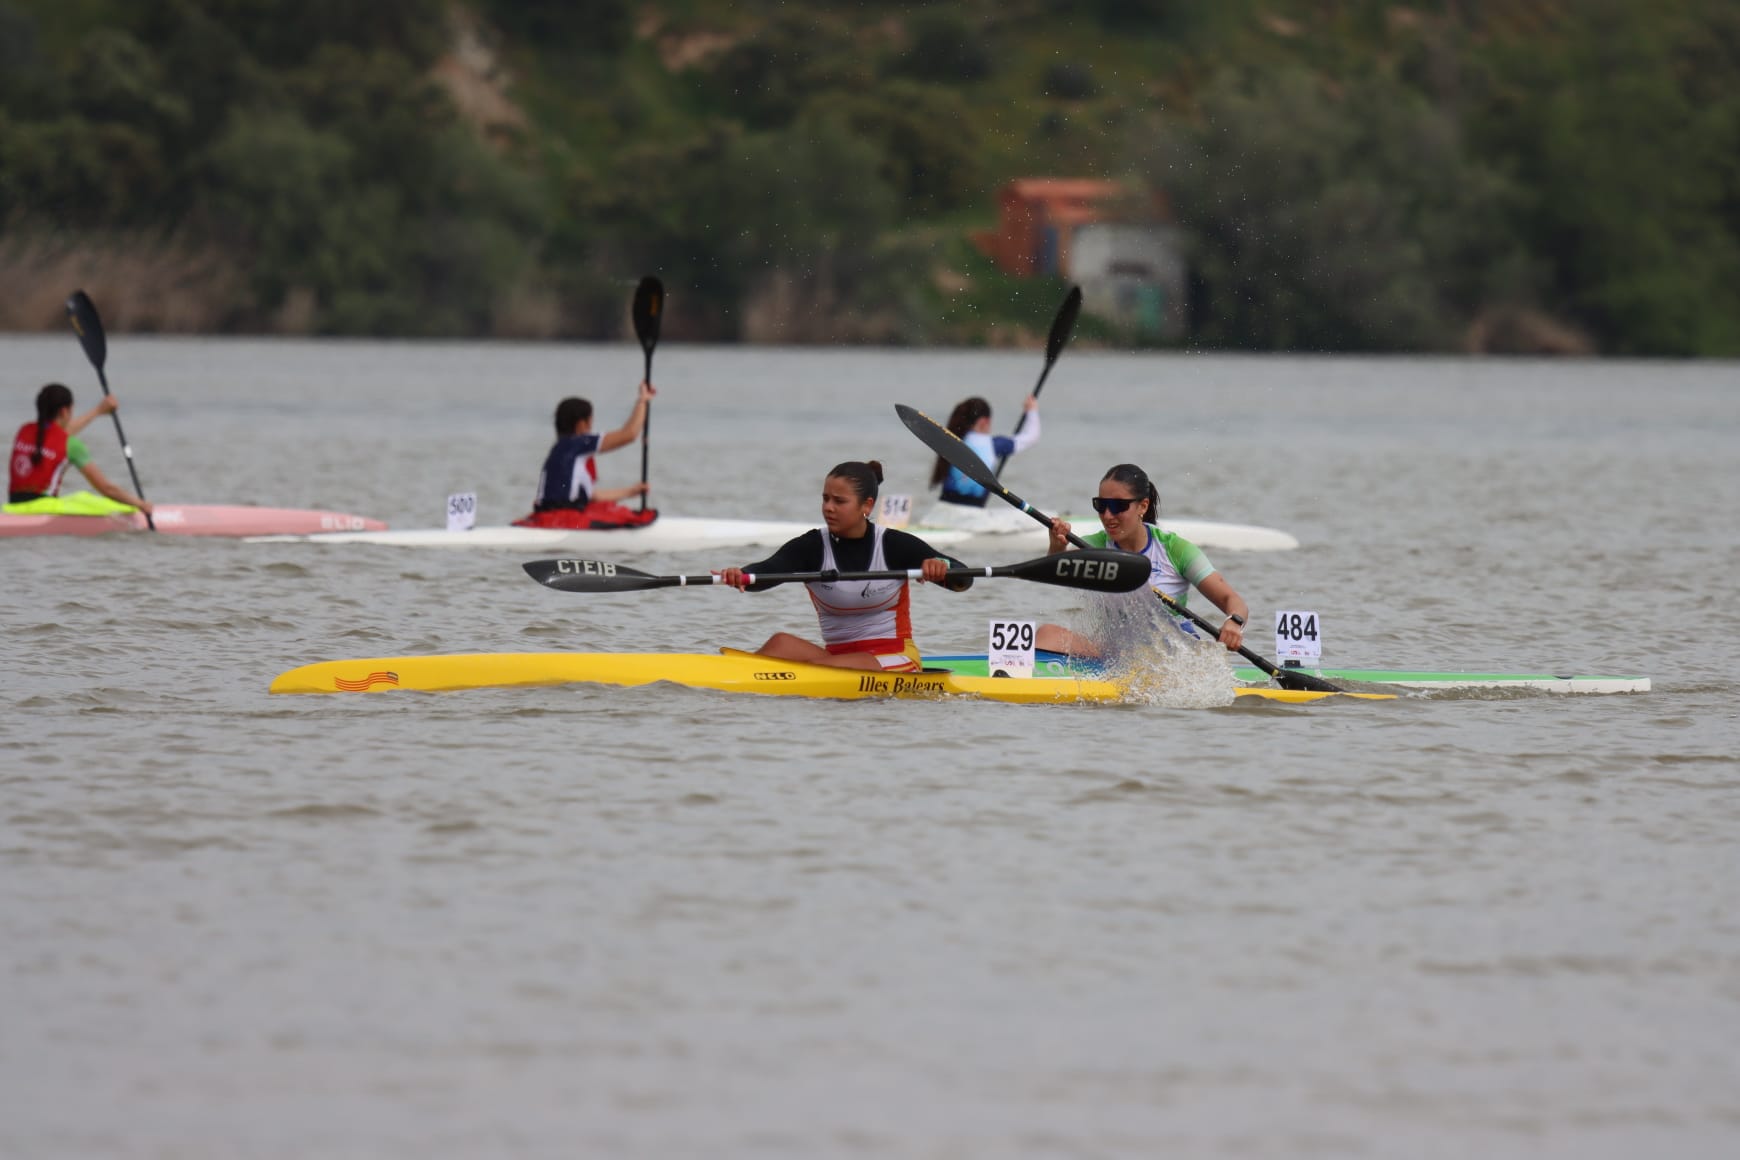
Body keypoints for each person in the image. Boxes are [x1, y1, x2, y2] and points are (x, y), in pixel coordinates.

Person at [717, 460, 973, 671]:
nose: (828, 508)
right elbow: (770, 569)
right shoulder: (812, 546)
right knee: (780, 643)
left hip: (894, 657)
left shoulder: (894, 544)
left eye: (839, 502)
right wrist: (742, 575)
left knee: (820, 668)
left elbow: (963, 578)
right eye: (825, 499)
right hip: (836, 658)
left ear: (867, 506)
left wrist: (940, 566)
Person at [1036, 462, 1249, 657]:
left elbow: (1232, 600)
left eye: (1118, 506)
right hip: (1115, 653)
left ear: (1143, 506)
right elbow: (1056, 573)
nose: (1108, 515)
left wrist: (1234, 622)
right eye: (1101, 505)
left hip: (1170, 657)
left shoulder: (1175, 550)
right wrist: (1057, 547)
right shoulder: (1092, 546)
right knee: (1046, 634)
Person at [514, 382, 657, 529]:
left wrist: (630, 491)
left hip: (543, 516)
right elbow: (630, 434)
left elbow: (592, 497)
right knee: (627, 517)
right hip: (564, 519)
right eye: (590, 422)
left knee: (599, 508)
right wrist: (643, 401)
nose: (591, 427)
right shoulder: (579, 443)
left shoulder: (559, 449)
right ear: (581, 424)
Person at [7, 383, 153, 514]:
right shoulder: (71, 445)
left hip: (11, 507)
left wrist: (98, 411)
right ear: (65, 411)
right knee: (92, 500)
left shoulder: (24, 431)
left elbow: (57, 436)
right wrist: (140, 504)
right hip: (44, 510)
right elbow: (106, 489)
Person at [930, 394, 1039, 507]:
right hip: (973, 512)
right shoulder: (994, 445)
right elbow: (1031, 436)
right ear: (984, 421)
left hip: (942, 509)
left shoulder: (952, 439)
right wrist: (1032, 410)